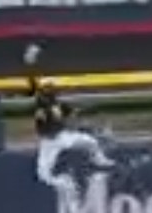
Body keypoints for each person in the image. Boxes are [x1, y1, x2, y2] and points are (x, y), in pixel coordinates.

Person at [23, 44, 113, 195]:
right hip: (49, 142)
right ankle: (64, 183)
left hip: (62, 136)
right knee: (43, 175)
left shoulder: (58, 105)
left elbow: (75, 112)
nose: (48, 92)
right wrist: (30, 62)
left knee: (91, 142)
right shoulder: (41, 101)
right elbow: (33, 82)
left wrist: (91, 109)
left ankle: (99, 159)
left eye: (50, 90)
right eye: (47, 90)